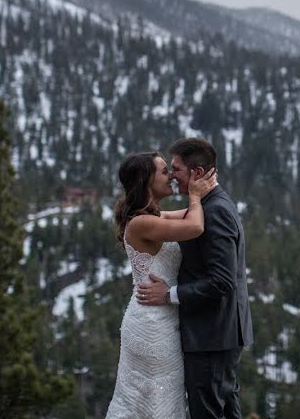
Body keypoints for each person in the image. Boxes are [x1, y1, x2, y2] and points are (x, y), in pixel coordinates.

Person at [137, 137, 253, 419]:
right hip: (217, 335)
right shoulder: (209, 204)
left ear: (197, 173)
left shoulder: (215, 212)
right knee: (225, 411)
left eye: (176, 169)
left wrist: (169, 295)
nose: (172, 175)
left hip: (211, 336)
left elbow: (222, 281)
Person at [105, 151, 217, 419]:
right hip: (152, 325)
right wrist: (194, 195)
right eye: (164, 171)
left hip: (159, 315)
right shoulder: (142, 223)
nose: (170, 176)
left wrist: (205, 193)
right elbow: (194, 226)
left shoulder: (152, 217)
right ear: (146, 180)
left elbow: (190, 214)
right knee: (160, 398)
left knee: (157, 398)